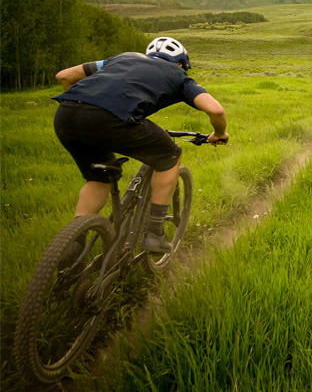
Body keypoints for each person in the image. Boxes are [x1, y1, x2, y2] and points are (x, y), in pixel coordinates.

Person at [53, 36, 229, 254]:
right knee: (170, 156)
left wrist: (89, 101)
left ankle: (72, 242)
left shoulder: (121, 59)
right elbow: (216, 110)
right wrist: (218, 134)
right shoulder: (179, 76)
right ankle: (155, 233)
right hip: (111, 119)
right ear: (181, 63)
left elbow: (64, 76)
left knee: (98, 179)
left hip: (65, 115)